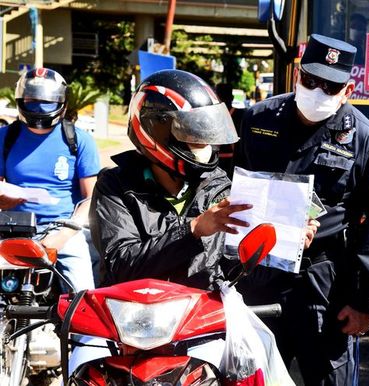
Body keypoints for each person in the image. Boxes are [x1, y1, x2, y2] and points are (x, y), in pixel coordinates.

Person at [234, 34, 369, 385]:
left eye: (330, 85)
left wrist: (365, 304)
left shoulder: (365, 140)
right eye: (310, 80)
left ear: (348, 90)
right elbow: (235, 189)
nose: (317, 91)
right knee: (251, 374)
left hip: (323, 283)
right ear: (297, 74)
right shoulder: (258, 120)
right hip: (261, 274)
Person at [90, 69, 251, 289]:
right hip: (135, 312)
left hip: (199, 315)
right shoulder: (115, 187)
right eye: (192, 134)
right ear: (157, 129)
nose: (203, 145)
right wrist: (192, 230)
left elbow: (234, 270)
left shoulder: (217, 185)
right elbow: (121, 265)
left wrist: (282, 244)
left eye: (205, 135)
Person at [0, 67, 99, 293]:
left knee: (83, 297)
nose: (38, 107)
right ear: (21, 99)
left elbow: (91, 198)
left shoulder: (79, 141)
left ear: (61, 103)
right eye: (32, 100)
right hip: (12, 229)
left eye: (46, 101)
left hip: (63, 230)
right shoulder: (5, 138)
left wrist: (64, 235)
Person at [215, 83, 246, 176]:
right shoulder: (242, 114)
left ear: (217, 97)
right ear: (232, 96)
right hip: (236, 160)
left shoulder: (212, 114)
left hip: (217, 161)